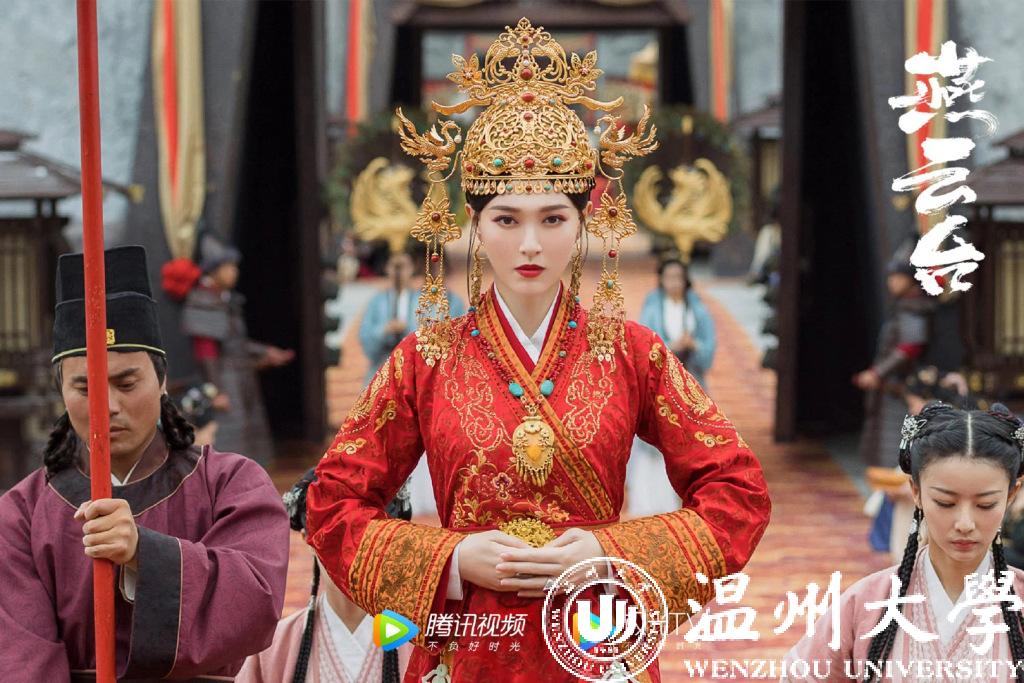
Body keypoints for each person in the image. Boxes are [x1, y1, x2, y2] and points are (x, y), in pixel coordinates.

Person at [306, 19, 770, 682]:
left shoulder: (633, 353)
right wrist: (450, 560)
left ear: (584, 223)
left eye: (553, 218)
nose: (530, 244)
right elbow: (332, 502)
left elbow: (738, 490)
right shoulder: (424, 359)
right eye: (507, 219)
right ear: (473, 223)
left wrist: (612, 554)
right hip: (468, 645)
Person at [0, 245, 290, 681]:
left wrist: (146, 555)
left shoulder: (231, 483)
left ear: (162, 380)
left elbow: (255, 601)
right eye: (85, 388)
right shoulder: (21, 514)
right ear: (61, 391)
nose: (108, 406)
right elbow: (20, 658)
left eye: (127, 383)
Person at [782, 403, 1024, 681]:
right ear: (916, 492)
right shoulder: (867, 602)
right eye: (945, 502)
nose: (965, 523)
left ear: (1011, 495)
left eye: (985, 504)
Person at [237, 470, 413, 683]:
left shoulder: (425, 643)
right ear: (308, 538)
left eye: (365, 532)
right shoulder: (272, 648)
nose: (350, 548)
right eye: (334, 533)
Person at [182, 233, 294, 465]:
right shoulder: (202, 301)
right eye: (229, 267)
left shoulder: (224, 300)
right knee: (228, 443)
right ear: (214, 270)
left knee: (248, 440)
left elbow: (236, 342)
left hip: (240, 378)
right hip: (224, 382)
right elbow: (206, 351)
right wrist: (216, 390)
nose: (234, 272)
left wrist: (265, 352)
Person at [358, 242, 466, 384]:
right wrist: (384, 330)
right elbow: (366, 338)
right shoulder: (379, 301)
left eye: (439, 267)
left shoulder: (450, 301)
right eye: (395, 266)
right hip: (384, 369)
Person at [638, 258, 716, 386]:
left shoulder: (697, 307)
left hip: (692, 372)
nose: (674, 282)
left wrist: (693, 344)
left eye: (678, 276)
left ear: (685, 279)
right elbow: (644, 344)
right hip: (662, 376)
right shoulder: (652, 307)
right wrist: (671, 346)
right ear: (661, 279)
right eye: (669, 277)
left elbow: (708, 345)